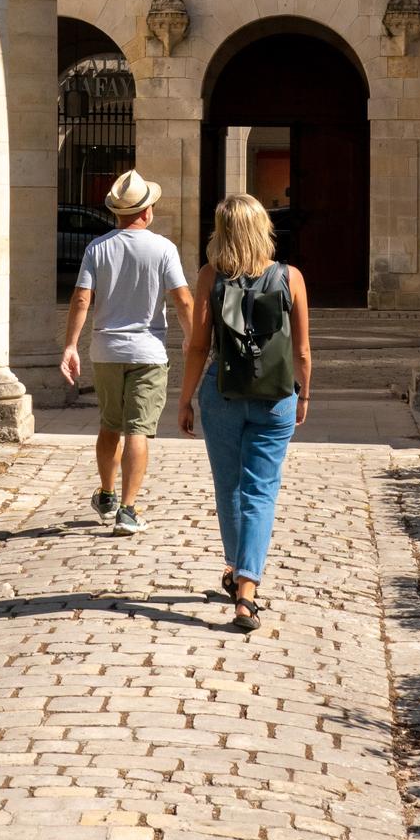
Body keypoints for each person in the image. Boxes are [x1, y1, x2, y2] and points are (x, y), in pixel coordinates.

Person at [177, 192, 311, 633]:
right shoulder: (290, 277)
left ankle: (239, 574)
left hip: (223, 395)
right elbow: (303, 351)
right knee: (261, 491)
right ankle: (247, 588)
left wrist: (184, 398)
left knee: (229, 488)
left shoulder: (210, 276)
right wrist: (304, 396)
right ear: (263, 229)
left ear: (222, 231)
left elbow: (198, 345)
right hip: (276, 398)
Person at [60, 168, 194, 535]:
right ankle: (129, 509)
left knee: (109, 424)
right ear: (147, 211)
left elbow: (82, 298)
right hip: (148, 351)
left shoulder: (97, 248)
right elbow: (182, 299)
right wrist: (192, 337)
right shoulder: (163, 248)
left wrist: (71, 345)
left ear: (115, 213)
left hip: (106, 348)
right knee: (139, 430)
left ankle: (106, 495)